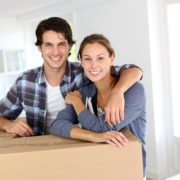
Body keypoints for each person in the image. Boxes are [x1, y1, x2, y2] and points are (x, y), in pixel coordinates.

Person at [0, 17, 142, 137]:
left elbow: (133, 70)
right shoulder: (25, 82)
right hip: (39, 150)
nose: (55, 52)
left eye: (61, 44)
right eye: (49, 45)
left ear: (70, 47)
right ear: (40, 48)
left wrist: (118, 91)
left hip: (78, 149)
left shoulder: (86, 72)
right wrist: (8, 124)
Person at [50, 34, 146, 176]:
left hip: (129, 170)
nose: (94, 65)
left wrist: (77, 103)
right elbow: (57, 125)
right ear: (81, 62)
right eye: (87, 59)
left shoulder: (134, 91)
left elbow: (102, 128)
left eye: (100, 58)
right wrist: (93, 137)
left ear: (111, 58)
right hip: (96, 169)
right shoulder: (84, 92)